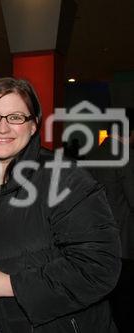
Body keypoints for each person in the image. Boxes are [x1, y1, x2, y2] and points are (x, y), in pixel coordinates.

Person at [0, 78, 121, 333]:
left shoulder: (65, 178)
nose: (2, 127)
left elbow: (99, 267)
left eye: (15, 117)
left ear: (33, 126)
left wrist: (9, 284)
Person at [89, 118, 134, 333]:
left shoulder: (93, 154)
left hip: (95, 237)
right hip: (123, 240)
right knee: (125, 300)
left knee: (103, 296)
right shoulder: (126, 155)